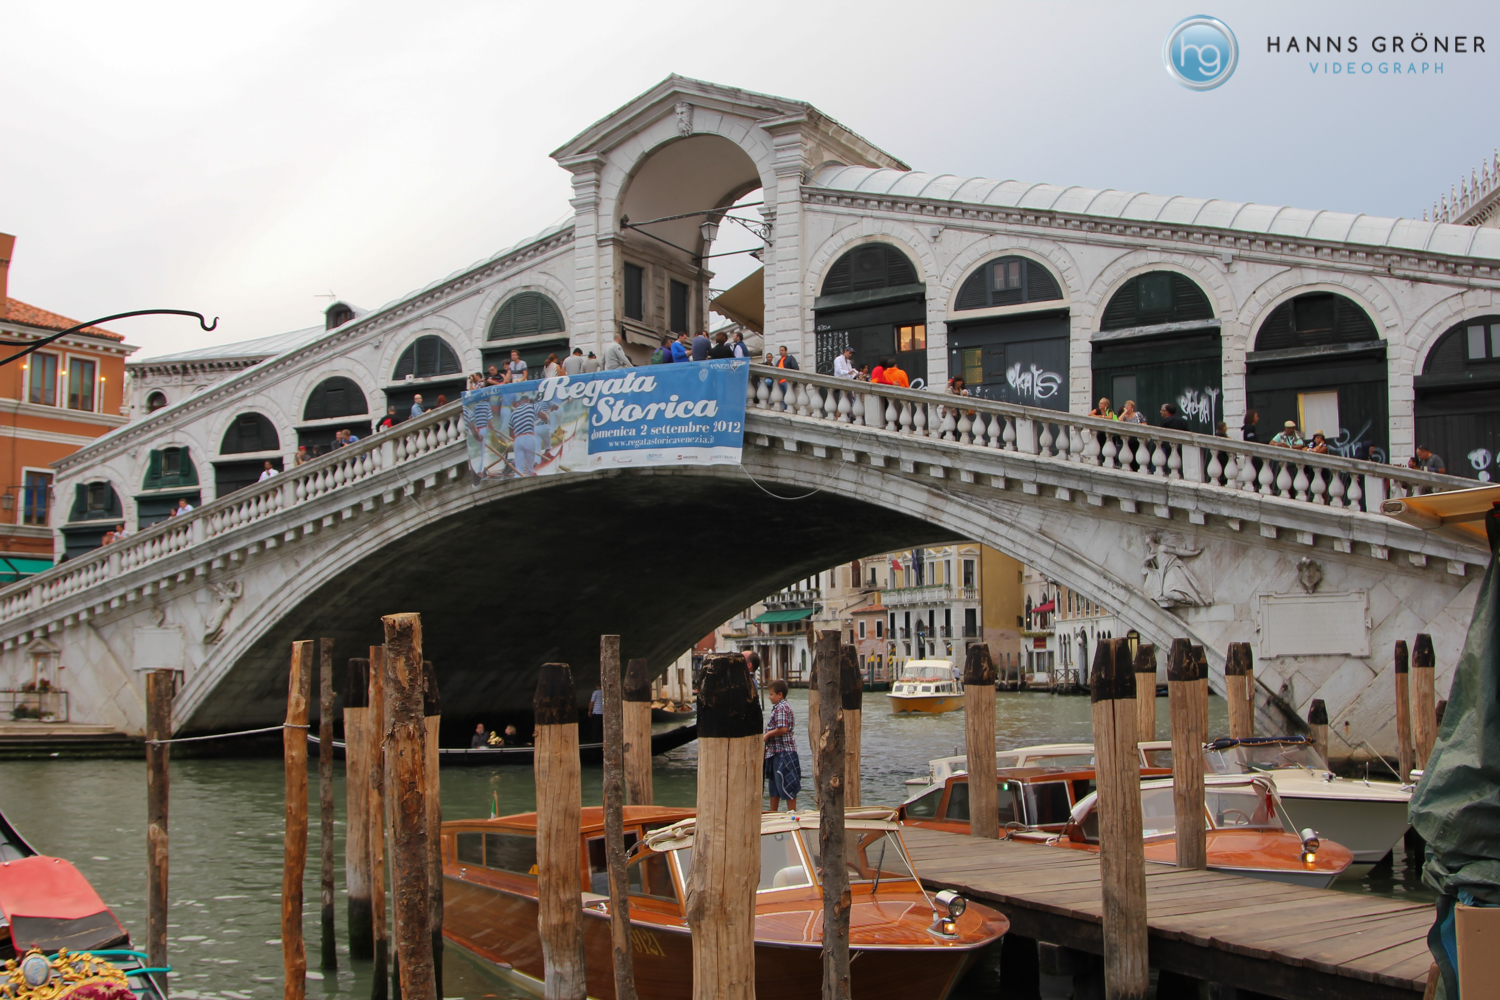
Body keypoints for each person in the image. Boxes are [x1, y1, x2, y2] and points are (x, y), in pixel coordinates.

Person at [763, 679, 800, 812]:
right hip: (774, 751)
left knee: (787, 782)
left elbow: (783, 729)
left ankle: (792, 812)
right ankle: (773, 812)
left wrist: (767, 735)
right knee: (774, 784)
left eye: (771, 694)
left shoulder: (782, 707)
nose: (769, 697)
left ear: (780, 695)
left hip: (784, 752)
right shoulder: (778, 707)